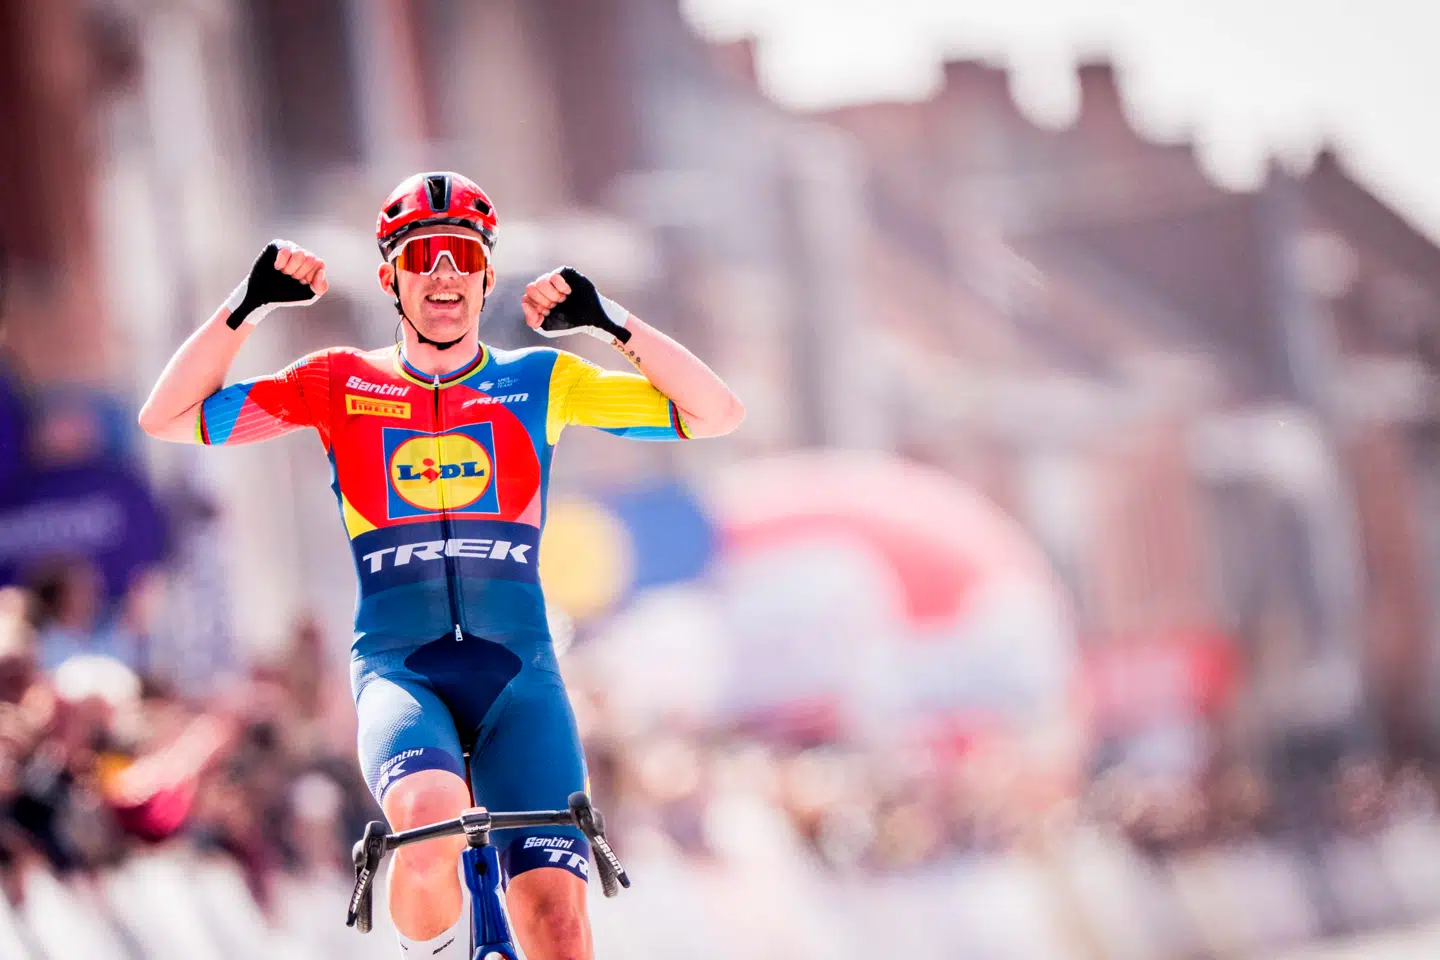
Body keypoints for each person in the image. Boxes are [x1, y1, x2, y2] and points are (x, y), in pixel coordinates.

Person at [137, 172, 744, 960]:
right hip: (402, 667)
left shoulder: (540, 381)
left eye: (464, 255)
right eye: (423, 257)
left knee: (559, 923)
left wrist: (609, 322)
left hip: (519, 674)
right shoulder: (337, 382)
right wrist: (246, 307)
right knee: (428, 823)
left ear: (489, 276)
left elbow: (715, 412)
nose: (445, 273)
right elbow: (169, 416)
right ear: (390, 279)